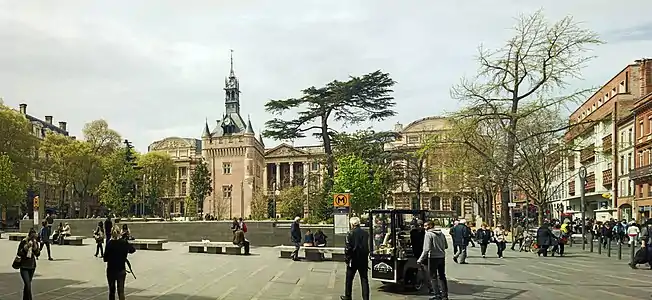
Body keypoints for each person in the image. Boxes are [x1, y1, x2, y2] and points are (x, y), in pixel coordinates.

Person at [418, 220, 449, 300]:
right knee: (442, 276)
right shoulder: (441, 234)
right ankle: (445, 296)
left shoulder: (428, 234)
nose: (424, 227)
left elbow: (426, 249)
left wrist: (420, 259)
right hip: (442, 257)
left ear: (430, 226)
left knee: (433, 277)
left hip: (433, 258)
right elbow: (446, 246)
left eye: (425, 226)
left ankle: (437, 295)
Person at [340, 216, 370, 300]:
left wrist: (347, 259)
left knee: (349, 279)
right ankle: (366, 298)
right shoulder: (365, 233)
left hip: (353, 260)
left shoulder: (350, 233)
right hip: (363, 260)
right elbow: (367, 247)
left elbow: (348, 248)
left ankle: (348, 296)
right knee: (364, 280)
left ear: (352, 224)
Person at [104, 225, 136, 300]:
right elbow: (132, 250)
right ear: (119, 233)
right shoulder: (123, 242)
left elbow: (105, 258)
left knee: (112, 291)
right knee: (121, 291)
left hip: (111, 270)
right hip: (121, 270)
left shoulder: (109, 243)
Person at [17, 228, 41, 300]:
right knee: (28, 284)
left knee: (27, 286)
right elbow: (19, 253)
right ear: (29, 236)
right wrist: (26, 247)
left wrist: (35, 247)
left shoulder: (35, 243)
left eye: (35, 237)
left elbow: (38, 254)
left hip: (32, 266)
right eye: (32, 237)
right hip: (24, 267)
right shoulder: (23, 242)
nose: (33, 238)